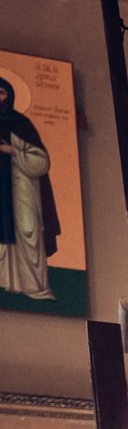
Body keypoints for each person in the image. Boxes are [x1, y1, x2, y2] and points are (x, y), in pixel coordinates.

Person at [0, 75, 61, 302]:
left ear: (9, 96)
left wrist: (12, 151)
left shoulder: (21, 124)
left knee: (28, 231)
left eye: (1, 92)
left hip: (19, 188)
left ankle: (33, 287)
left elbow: (41, 161)